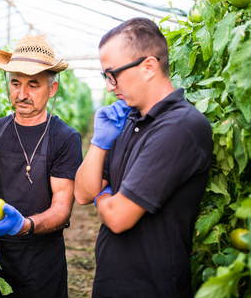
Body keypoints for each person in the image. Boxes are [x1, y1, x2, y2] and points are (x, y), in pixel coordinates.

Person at [74, 17, 213, 297]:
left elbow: (117, 217)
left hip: (152, 287)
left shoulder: (181, 126)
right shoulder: (129, 121)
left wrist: (107, 196)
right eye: (106, 77)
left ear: (149, 66)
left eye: (113, 74)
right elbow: (83, 193)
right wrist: (99, 142)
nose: (110, 86)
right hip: (111, 282)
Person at [0, 34, 82, 298]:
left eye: (33, 85)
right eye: (16, 83)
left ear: (51, 89)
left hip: (41, 262)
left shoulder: (65, 138)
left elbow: (62, 208)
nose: (22, 94)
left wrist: (24, 225)